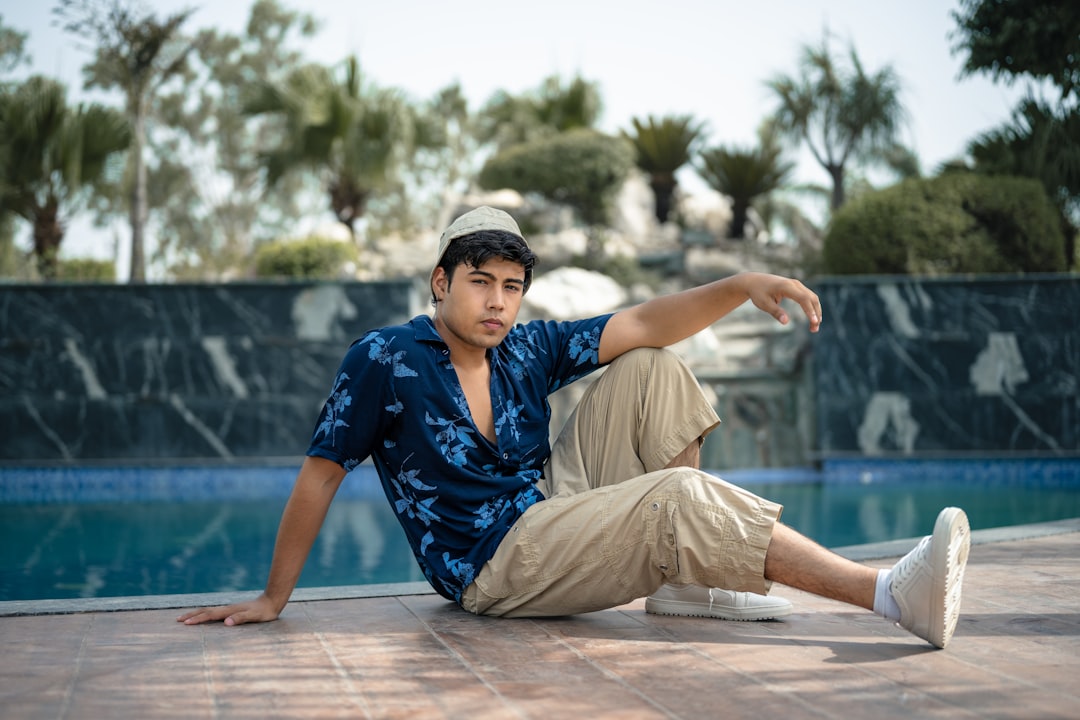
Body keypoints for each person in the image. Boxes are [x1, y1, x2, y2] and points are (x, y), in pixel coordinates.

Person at [179, 206, 970, 649]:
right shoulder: (385, 359)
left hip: (551, 504)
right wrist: (273, 598)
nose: (496, 302)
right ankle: (893, 596)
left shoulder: (527, 345)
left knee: (650, 367)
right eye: (479, 283)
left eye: (511, 286)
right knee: (673, 501)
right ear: (441, 281)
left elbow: (644, 319)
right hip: (494, 563)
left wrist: (739, 283)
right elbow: (321, 472)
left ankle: (691, 588)